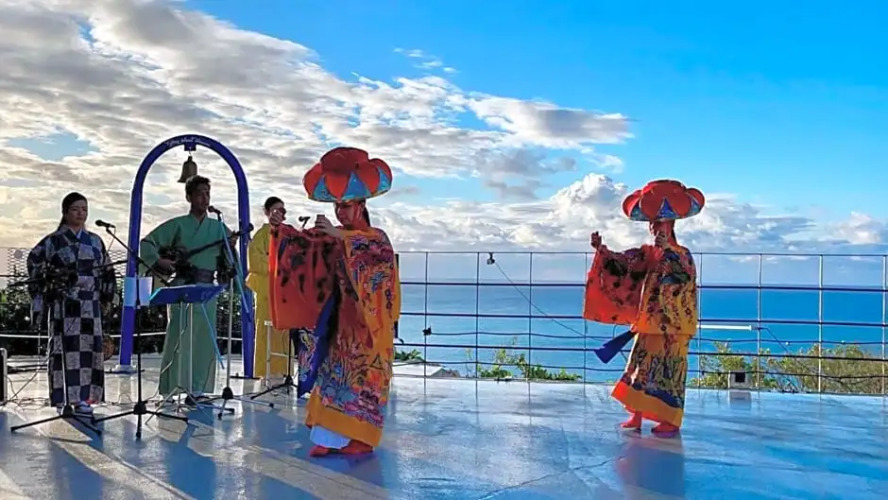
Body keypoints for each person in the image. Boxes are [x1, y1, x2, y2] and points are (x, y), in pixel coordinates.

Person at [270, 146, 400, 457]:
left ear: (362, 205)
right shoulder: (336, 233)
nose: (340, 213)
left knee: (365, 382)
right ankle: (330, 438)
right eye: (337, 207)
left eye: (346, 206)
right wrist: (279, 229)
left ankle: (361, 439)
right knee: (334, 378)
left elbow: (374, 254)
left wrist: (339, 236)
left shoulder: (376, 238)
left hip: (371, 328)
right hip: (343, 324)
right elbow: (306, 246)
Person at [584, 179, 705, 438]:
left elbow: (686, 277)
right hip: (649, 321)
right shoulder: (649, 253)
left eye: (659, 223)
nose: (653, 228)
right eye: (652, 224)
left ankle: (670, 420)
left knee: (669, 370)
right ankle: (637, 414)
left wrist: (669, 251)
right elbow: (625, 263)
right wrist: (602, 250)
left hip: (673, 325)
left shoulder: (682, 254)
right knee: (639, 366)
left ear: (671, 225)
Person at [140, 175, 236, 400]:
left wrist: (230, 248)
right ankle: (171, 388)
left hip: (207, 290)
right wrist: (159, 261)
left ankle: (198, 389)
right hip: (182, 287)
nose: (204, 198)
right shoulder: (178, 224)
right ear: (189, 197)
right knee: (178, 336)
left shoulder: (219, 227)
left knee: (204, 339)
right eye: (199, 193)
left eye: (207, 193)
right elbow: (147, 243)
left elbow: (230, 263)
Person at [26, 192, 117, 415]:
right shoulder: (53, 241)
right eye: (75, 209)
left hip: (90, 305)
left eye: (84, 209)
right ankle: (63, 398)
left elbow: (107, 270)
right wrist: (49, 285)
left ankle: (85, 398)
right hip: (64, 305)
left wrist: (107, 297)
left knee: (88, 351)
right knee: (63, 350)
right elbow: (34, 262)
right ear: (65, 212)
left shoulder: (95, 240)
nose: (80, 214)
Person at [245, 196, 291, 379]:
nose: (279, 214)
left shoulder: (288, 234)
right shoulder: (260, 235)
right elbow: (254, 262)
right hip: (266, 292)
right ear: (267, 212)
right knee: (265, 332)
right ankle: (266, 373)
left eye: (282, 211)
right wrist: (277, 264)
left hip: (284, 293)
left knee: (283, 333)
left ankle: (284, 372)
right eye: (275, 210)